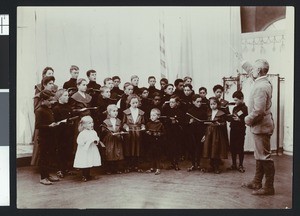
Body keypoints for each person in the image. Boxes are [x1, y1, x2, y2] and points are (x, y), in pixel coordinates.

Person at [241, 59, 275, 196]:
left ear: (259, 71)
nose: (251, 71)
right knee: (259, 155)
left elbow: (258, 111)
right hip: (261, 126)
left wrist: (246, 119)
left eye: (253, 69)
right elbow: (251, 70)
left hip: (261, 126)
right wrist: (243, 61)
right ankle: (256, 181)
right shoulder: (262, 80)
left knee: (264, 157)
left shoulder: (261, 86)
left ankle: (269, 187)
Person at [35, 90, 60, 185]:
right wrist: (49, 126)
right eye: (49, 100)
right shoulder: (39, 111)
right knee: (44, 158)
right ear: (43, 100)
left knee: (49, 157)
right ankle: (43, 177)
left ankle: (47, 175)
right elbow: (38, 126)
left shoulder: (49, 109)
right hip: (44, 138)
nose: (51, 102)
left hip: (50, 137)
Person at [52, 89, 75, 178]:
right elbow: (55, 122)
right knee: (60, 152)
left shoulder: (68, 107)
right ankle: (59, 170)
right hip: (59, 134)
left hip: (68, 133)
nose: (67, 97)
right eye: (65, 95)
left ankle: (66, 168)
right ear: (59, 97)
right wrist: (63, 122)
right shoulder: (56, 108)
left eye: (67, 95)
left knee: (67, 151)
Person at [202, 97, 228, 174]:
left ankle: (216, 166)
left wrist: (219, 124)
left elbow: (224, 123)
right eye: (211, 104)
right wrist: (204, 134)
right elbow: (206, 123)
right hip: (209, 132)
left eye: (214, 104)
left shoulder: (221, 113)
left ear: (217, 104)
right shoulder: (208, 112)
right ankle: (211, 165)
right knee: (209, 148)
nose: (212, 106)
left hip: (217, 133)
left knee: (215, 148)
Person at [73, 116, 102, 182]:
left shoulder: (93, 132)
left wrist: (96, 140)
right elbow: (79, 141)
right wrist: (86, 142)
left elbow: (96, 138)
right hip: (85, 150)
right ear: (84, 125)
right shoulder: (82, 133)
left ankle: (88, 174)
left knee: (90, 161)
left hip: (91, 149)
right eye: (89, 123)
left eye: (92, 122)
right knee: (85, 162)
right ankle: (84, 175)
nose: (91, 124)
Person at [122, 94, 145, 173]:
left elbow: (143, 123)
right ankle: (128, 166)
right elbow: (123, 123)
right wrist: (126, 127)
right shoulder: (126, 112)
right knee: (128, 149)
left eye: (136, 103)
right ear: (129, 103)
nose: (135, 104)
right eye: (133, 103)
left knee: (138, 149)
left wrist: (143, 127)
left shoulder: (141, 113)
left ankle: (136, 166)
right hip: (129, 133)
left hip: (138, 133)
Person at [227, 91, 248, 173]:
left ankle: (241, 165)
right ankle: (234, 164)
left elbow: (244, 119)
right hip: (233, 129)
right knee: (232, 147)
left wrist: (239, 119)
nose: (235, 102)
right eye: (234, 100)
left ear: (241, 98)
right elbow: (234, 117)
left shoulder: (244, 108)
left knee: (240, 148)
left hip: (240, 130)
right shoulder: (235, 108)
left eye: (236, 100)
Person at [161, 95, 184, 171]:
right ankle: (171, 162)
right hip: (168, 131)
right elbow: (163, 119)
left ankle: (175, 162)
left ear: (177, 103)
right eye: (170, 102)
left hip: (176, 132)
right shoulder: (166, 110)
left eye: (173, 102)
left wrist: (176, 121)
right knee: (169, 147)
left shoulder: (180, 112)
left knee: (176, 147)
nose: (171, 104)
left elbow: (181, 121)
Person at [101, 104, 125, 174]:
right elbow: (103, 130)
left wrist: (121, 132)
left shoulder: (119, 121)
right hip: (109, 139)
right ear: (109, 112)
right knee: (110, 153)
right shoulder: (105, 121)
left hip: (117, 139)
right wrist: (107, 132)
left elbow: (121, 128)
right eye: (113, 111)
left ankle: (117, 168)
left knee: (117, 152)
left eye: (116, 111)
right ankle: (109, 169)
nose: (116, 112)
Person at [186, 94, 207, 171]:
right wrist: (189, 122)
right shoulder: (189, 111)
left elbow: (205, 124)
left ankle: (198, 164)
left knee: (199, 148)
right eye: (197, 102)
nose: (199, 103)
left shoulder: (203, 112)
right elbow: (186, 123)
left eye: (200, 102)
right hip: (191, 133)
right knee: (192, 148)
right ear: (193, 102)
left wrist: (204, 134)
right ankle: (192, 164)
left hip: (200, 132)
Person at [145, 108, 165, 175]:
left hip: (157, 143)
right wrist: (147, 132)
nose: (152, 117)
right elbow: (146, 131)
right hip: (150, 142)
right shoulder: (148, 124)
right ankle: (151, 167)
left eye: (154, 115)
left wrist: (158, 134)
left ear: (158, 116)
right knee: (151, 155)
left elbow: (164, 133)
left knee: (157, 155)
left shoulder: (160, 124)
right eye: (151, 115)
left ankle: (158, 168)